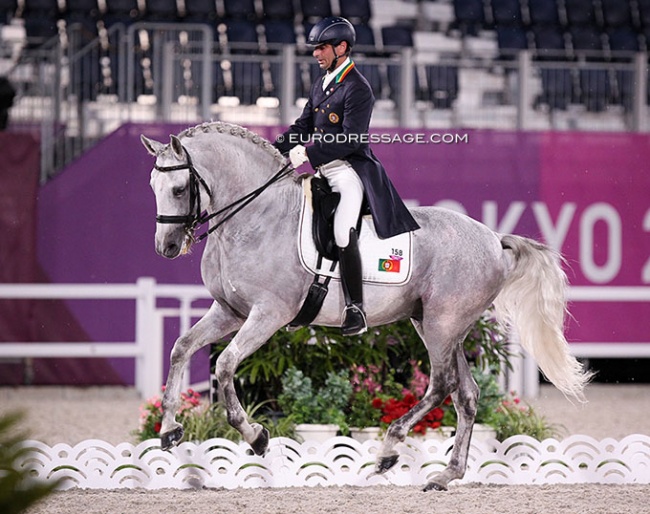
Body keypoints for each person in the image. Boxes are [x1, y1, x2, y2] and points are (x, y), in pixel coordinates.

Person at [274, 16, 420, 336]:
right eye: (315, 48)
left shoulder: (358, 88)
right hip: (321, 172)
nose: (316, 54)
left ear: (341, 48)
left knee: (342, 231)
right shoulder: (321, 82)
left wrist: (307, 154)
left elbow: (350, 139)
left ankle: (356, 307)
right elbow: (303, 127)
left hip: (348, 170)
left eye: (322, 47)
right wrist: (273, 150)